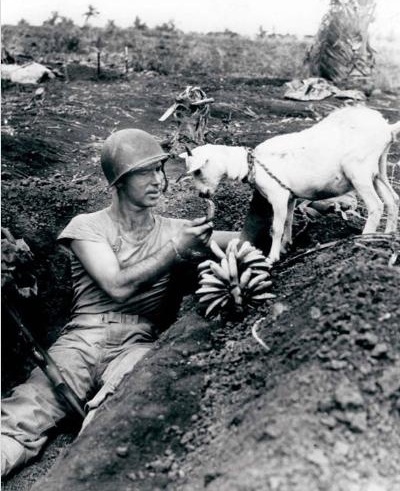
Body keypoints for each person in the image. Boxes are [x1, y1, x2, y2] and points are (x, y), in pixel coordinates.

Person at [1, 128, 250, 478]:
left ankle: (72, 480)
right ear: (119, 181)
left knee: (115, 421)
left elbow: (248, 243)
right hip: (82, 340)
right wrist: (177, 249)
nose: (158, 181)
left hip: (138, 344)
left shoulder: (177, 229)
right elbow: (116, 285)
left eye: (160, 170)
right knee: (21, 416)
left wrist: (271, 194)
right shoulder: (87, 227)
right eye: (145, 172)